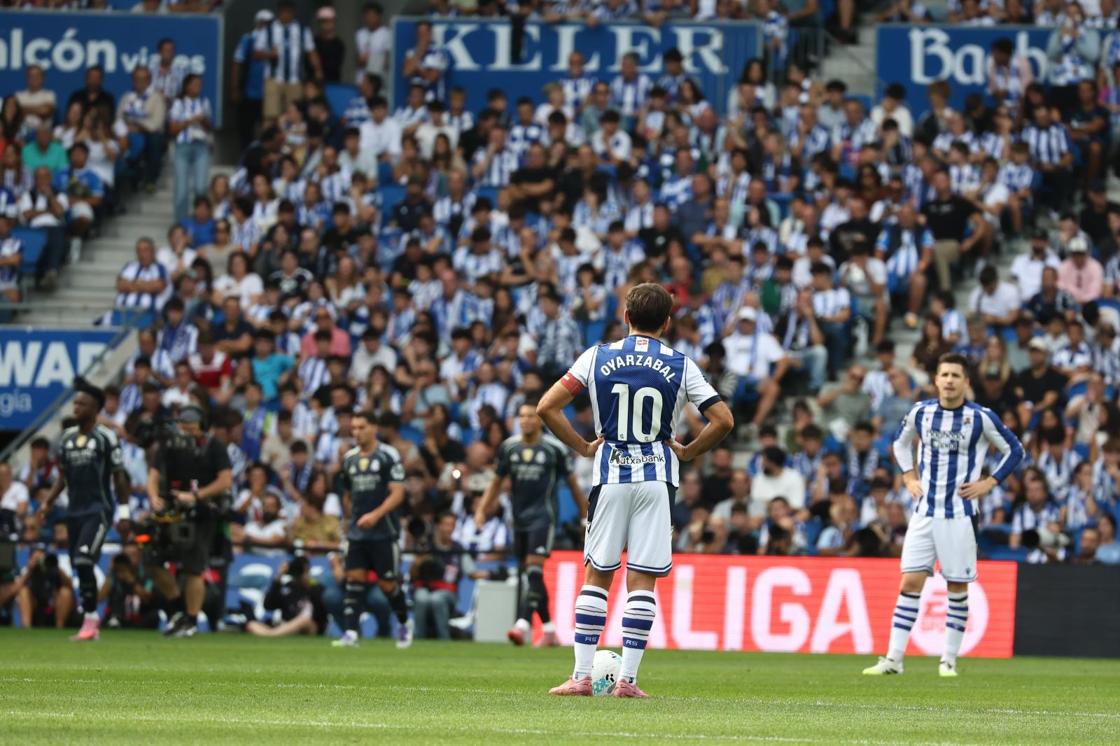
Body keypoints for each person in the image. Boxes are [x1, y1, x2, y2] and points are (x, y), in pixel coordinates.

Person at [537, 283, 734, 698]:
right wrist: (688, 450)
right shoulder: (681, 364)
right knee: (642, 579)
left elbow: (546, 407)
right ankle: (627, 680)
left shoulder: (597, 356)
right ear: (666, 322)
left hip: (610, 473)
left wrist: (584, 446)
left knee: (598, 574)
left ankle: (581, 676)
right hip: (657, 477)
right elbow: (723, 420)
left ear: (626, 316)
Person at [863, 353, 1024, 678]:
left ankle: (948, 660)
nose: (949, 380)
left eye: (955, 375)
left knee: (956, 587)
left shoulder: (981, 418)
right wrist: (909, 476)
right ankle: (894, 659)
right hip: (924, 512)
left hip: (960, 515)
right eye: (944, 374)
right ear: (936, 380)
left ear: (966, 382)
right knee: (909, 582)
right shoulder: (921, 413)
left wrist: (989, 483)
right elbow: (899, 443)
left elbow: (1016, 450)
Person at [475, 401, 586, 647]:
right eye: (522, 416)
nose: (526, 420)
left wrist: (584, 515)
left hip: (543, 518)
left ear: (539, 421)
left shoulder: (553, 449)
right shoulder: (509, 447)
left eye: (530, 416)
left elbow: (572, 484)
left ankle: (522, 624)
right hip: (519, 520)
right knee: (531, 576)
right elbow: (495, 482)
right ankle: (548, 629)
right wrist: (482, 509)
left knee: (534, 571)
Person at [36, 380, 131, 642]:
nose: (76, 407)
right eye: (75, 402)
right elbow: (62, 476)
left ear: (95, 408)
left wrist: (124, 512)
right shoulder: (67, 438)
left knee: (83, 559)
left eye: (82, 403)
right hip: (74, 512)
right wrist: (48, 502)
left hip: (99, 510)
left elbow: (120, 477)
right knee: (81, 565)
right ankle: (90, 622)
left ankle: (91, 619)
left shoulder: (105, 437)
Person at [145, 404, 233, 638]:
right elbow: (153, 475)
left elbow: (225, 481)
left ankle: (191, 619)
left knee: (194, 568)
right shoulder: (168, 445)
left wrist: (195, 496)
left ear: (202, 427)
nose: (187, 433)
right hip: (169, 511)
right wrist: (154, 497)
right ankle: (176, 611)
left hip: (201, 513)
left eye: (191, 428)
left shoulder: (215, 447)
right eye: (183, 428)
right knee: (151, 559)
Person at [332, 410, 412, 649]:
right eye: (353, 428)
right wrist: (351, 518)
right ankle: (350, 633)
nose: (356, 432)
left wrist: (375, 515)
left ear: (374, 428)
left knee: (388, 585)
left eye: (361, 427)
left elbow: (398, 493)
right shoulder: (349, 459)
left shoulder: (388, 455)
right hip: (358, 532)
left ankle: (404, 625)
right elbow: (346, 494)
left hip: (383, 531)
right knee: (353, 580)